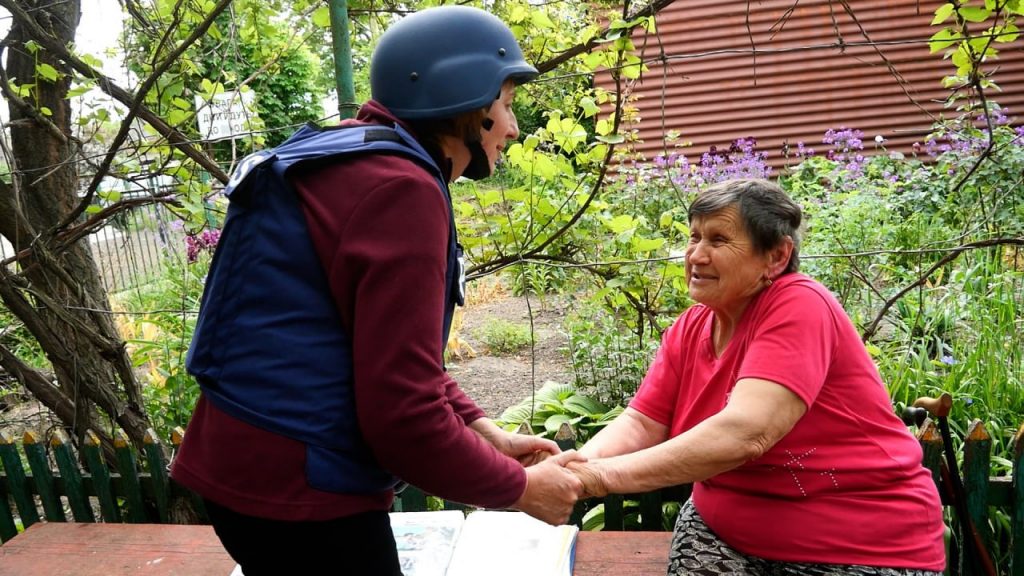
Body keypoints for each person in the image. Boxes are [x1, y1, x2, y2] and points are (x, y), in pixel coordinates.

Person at [170, 6, 584, 575]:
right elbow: (403, 418)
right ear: (462, 96)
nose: (512, 127)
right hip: (303, 497)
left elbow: (376, 350)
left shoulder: (352, 156)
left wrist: (480, 429)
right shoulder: (402, 190)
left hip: (242, 472)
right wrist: (518, 488)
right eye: (506, 103)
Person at [569, 178, 945, 576]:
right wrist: (569, 466)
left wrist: (598, 477)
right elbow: (642, 422)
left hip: (858, 547)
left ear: (776, 256)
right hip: (722, 535)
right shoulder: (691, 327)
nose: (696, 255)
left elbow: (748, 432)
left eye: (717, 240)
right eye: (694, 237)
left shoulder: (799, 304)